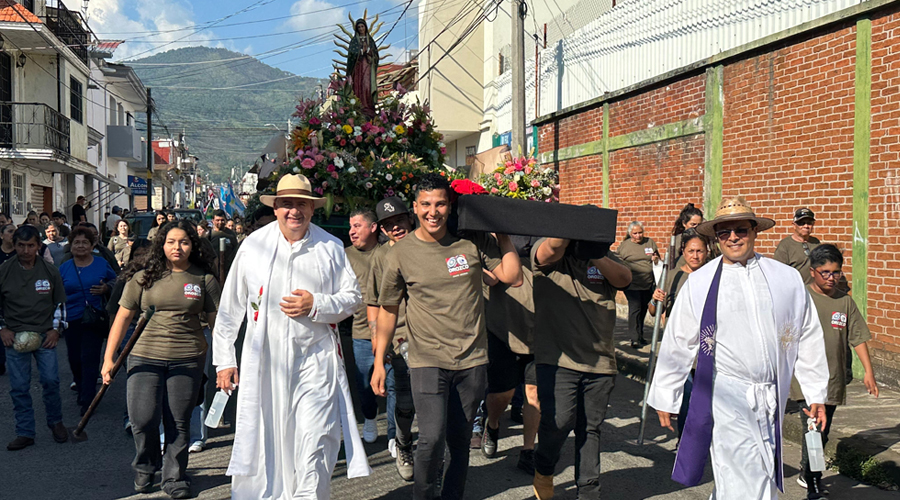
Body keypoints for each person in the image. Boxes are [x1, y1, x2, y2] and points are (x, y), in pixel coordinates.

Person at [648, 196, 829, 500]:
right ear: (716, 238)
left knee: (760, 474)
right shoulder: (701, 282)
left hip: (772, 395)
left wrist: (815, 392)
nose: (733, 237)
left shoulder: (784, 278)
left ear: (754, 231)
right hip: (729, 395)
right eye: (723, 232)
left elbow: (806, 333)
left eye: (740, 230)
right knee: (738, 475)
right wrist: (667, 393)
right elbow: (679, 340)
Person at [213, 174, 370, 499]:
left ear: (312, 209)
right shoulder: (254, 246)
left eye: (301, 204)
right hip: (264, 367)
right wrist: (224, 361)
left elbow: (353, 297)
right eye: (287, 204)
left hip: (315, 365)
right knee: (265, 445)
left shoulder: (329, 246)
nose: (294, 211)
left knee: (315, 442)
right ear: (276, 208)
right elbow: (230, 307)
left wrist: (317, 304)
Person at [370, 173, 523, 500]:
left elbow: (512, 275)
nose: (433, 211)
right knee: (431, 438)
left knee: (460, 439)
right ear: (415, 208)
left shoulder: (470, 242)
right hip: (427, 361)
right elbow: (388, 309)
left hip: (472, 361)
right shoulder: (401, 253)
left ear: (450, 205)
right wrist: (379, 361)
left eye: (440, 203)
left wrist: (502, 233)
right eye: (426, 204)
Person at [102, 221, 220, 498]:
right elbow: (122, 318)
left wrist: (226, 363)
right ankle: (146, 465)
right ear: (161, 244)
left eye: (184, 242)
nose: (177, 247)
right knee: (142, 419)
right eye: (171, 242)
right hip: (144, 356)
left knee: (178, 421)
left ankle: (175, 476)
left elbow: (219, 326)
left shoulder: (204, 280)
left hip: (188, 358)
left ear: (193, 245)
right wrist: (109, 359)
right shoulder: (143, 277)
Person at [529, 238, 632, 499]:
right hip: (557, 359)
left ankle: (588, 490)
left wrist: (595, 253)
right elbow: (547, 252)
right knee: (559, 421)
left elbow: (624, 278)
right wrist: (569, 232)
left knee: (590, 427)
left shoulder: (605, 257)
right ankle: (543, 467)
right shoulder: (551, 256)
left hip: (600, 361)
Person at [791, 244, 879, 498]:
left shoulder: (844, 301)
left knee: (822, 431)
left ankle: (806, 470)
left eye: (836, 272)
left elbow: (858, 337)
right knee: (814, 429)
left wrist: (868, 372)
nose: (831, 278)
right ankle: (814, 481)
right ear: (812, 272)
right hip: (805, 381)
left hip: (833, 379)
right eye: (825, 272)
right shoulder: (801, 299)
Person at [0, 225, 69, 450]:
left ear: (39, 246)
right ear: (15, 245)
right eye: (22, 245)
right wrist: (3, 328)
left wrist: (55, 330)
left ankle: (55, 422)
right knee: (19, 387)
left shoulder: (50, 271)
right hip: (15, 336)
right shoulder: (5, 270)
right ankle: (25, 432)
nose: (26, 250)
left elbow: (60, 303)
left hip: (45, 335)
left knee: (50, 381)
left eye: (31, 246)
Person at [481, 235, 541, 477]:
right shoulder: (492, 236)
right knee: (502, 394)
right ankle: (493, 424)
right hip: (502, 326)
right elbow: (493, 278)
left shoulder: (542, 233)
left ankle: (528, 450)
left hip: (538, 329)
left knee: (534, 393)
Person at [366, 196, 416, 480]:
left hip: (434, 334)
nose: (395, 228)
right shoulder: (381, 257)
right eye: (388, 225)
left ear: (410, 218)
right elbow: (374, 302)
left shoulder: (428, 245)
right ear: (381, 230)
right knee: (405, 399)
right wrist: (377, 341)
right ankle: (404, 442)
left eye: (399, 221)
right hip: (400, 336)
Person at [647, 229, 710, 440]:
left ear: (707, 251)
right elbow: (655, 311)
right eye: (691, 251)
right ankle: (686, 441)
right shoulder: (673, 276)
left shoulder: (713, 275)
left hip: (707, 348)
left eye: (700, 251)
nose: (695, 256)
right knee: (688, 398)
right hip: (680, 349)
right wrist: (655, 299)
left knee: (704, 400)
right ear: (683, 251)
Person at [59, 226, 117, 415]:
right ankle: (82, 386)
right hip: (71, 318)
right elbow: (55, 290)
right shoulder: (64, 266)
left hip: (94, 318)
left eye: (85, 242)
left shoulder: (101, 263)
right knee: (74, 358)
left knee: (89, 358)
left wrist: (106, 288)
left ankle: (88, 399)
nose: (81, 246)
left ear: (92, 245)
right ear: (71, 245)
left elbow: (117, 281)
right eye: (77, 242)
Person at [344, 208, 387, 446]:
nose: (352, 232)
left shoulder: (388, 252)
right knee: (365, 383)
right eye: (351, 227)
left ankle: (395, 433)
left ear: (373, 228)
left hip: (392, 330)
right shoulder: (344, 256)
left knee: (394, 382)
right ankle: (370, 418)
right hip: (361, 331)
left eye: (357, 226)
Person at [617, 221, 659, 348]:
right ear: (630, 234)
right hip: (632, 283)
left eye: (640, 232)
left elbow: (658, 258)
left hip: (647, 283)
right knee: (635, 308)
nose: (638, 235)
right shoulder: (625, 246)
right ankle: (634, 338)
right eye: (635, 233)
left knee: (643, 309)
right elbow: (617, 261)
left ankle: (640, 335)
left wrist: (656, 259)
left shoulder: (649, 242)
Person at [773, 208, 820, 285]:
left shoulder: (816, 242)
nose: (806, 226)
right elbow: (778, 273)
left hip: (813, 290)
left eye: (809, 223)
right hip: (795, 290)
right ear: (794, 225)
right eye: (802, 223)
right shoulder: (785, 245)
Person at [347, 18, 379, 117]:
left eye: (362, 26)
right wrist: (361, 52)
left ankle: (368, 106)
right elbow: (351, 56)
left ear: (365, 27)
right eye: (359, 27)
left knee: (366, 85)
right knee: (358, 86)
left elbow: (376, 55)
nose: (361, 29)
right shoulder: (354, 41)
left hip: (368, 67)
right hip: (357, 68)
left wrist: (369, 52)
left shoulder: (370, 40)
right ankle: (359, 106)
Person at [209, 210, 238, 278]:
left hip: (228, 270)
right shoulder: (209, 235)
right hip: (213, 270)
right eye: (217, 220)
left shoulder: (231, 234)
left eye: (222, 220)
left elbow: (235, 250)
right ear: (213, 221)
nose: (220, 222)